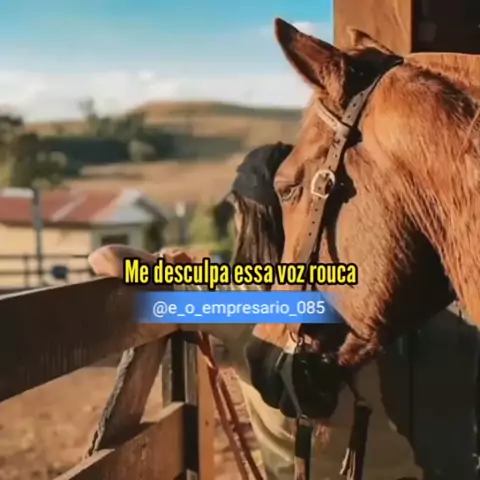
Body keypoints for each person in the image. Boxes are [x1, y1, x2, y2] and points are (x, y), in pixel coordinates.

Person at [89, 143, 420, 479]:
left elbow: (108, 259)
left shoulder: (241, 300)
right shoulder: (363, 286)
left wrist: (166, 265)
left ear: (249, 218)